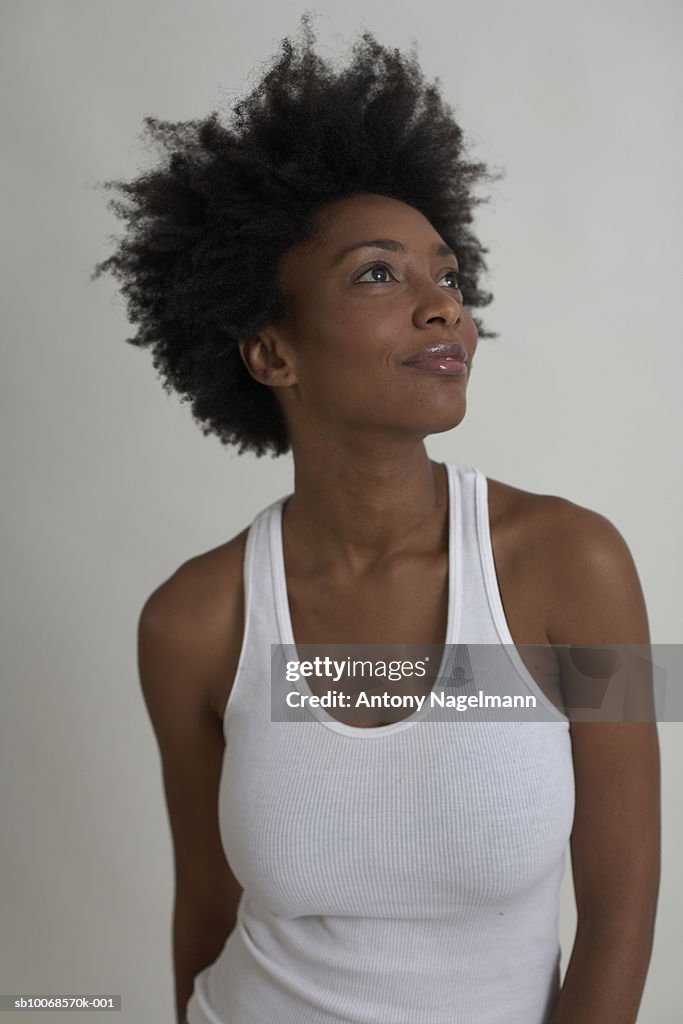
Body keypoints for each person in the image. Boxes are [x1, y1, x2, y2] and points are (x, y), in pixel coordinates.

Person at [92, 14, 660, 1024]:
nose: (442, 306)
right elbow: (207, 908)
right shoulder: (190, 621)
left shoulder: (575, 565)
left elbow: (621, 913)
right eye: (375, 274)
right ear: (272, 354)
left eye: (445, 275)